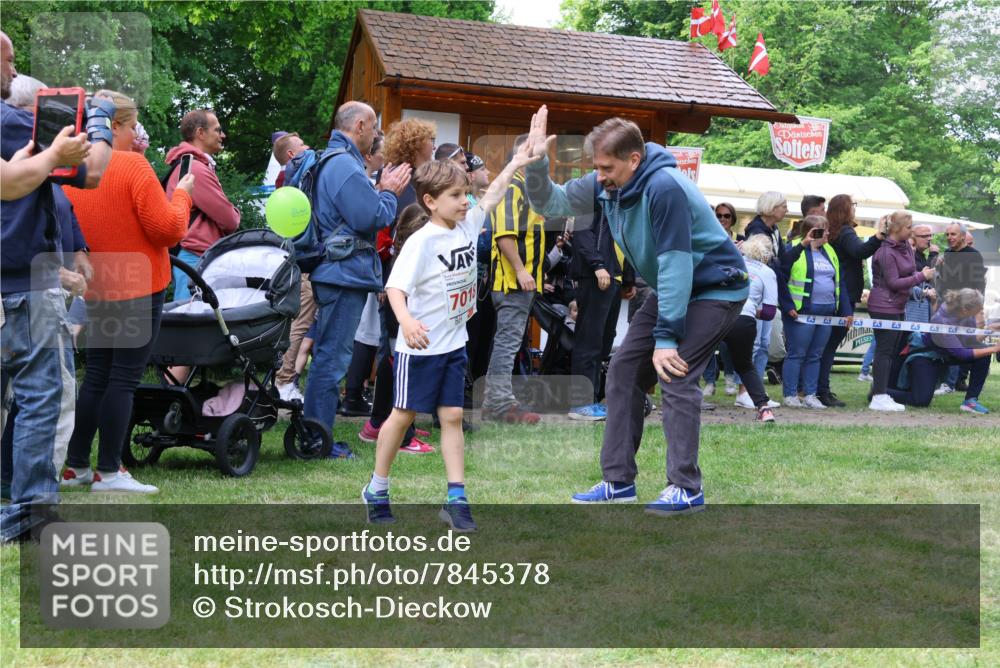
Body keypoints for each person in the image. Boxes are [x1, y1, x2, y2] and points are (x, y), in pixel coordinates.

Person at [523, 106, 748, 515]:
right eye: (596, 167)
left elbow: (676, 263)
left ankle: (686, 488)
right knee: (624, 370)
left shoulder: (665, 188)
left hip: (716, 287)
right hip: (674, 286)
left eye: (606, 167)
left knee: (675, 371)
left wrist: (666, 338)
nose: (599, 175)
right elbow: (550, 201)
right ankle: (618, 482)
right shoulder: (606, 184)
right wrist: (537, 161)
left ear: (634, 159)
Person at [362, 146, 541, 530]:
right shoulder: (422, 242)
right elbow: (395, 288)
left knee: (453, 415)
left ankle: (456, 498)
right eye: (456, 196)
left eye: (465, 194)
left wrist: (517, 161)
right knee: (403, 415)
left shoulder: (467, 226)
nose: (465, 202)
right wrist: (406, 321)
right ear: (430, 201)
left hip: (453, 345)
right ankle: (377, 488)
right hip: (419, 350)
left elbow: (492, 195)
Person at [1, 31, 116, 542]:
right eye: (7, 61)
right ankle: (31, 514)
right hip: (25, 284)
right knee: (41, 398)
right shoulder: (10, 122)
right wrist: (100, 120)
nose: (13, 70)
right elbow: (92, 172)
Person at [60, 89, 195, 493]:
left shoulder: (72, 168)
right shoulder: (133, 166)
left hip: (97, 283)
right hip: (139, 284)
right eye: (133, 125)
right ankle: (109, 471)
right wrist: (183, 194)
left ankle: (76, 465)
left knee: (97, 376)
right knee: (123, 378)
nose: (137, 134)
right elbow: (168, 229)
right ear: (114, 125)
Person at [303, 101, 410, 452]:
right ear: (360, 126)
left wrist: (380, 193)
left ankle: (316, 433)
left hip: (337, 272)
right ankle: (317, 439)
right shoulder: (345, 165)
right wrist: (389, 193)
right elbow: (370, 217)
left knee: (330, 355)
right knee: (332, 358)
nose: (377, 134)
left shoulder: (335, 160)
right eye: (375, 127)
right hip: (341, 274)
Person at [361, 117, 437, 453]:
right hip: (400, 279)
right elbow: (400, 231)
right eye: (430, 141)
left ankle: (381, 423)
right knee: (399, 355)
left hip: (399, 277)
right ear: (416, 144)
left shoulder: (406, 176)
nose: (433, 146)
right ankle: (397, 432)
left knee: (393, 355)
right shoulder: (403, 179)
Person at [481, 134, 547, 424]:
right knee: (507, 343)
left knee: (509, 341)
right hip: (512, 281)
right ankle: (499, 404)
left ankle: (497, 401)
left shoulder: (526, 187)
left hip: (520, 281)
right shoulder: (513, 186)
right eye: (535, 153)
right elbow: (504, 235)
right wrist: (521, 270)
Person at [566, 193, 633, 420]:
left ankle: (591, 400)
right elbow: (582, 235)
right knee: (589, 342)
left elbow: (625, 241)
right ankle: (580, 404)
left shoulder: (620, 203)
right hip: (595, 277)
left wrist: (628, 279)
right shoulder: (591, 197)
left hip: (614, 278)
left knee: (603, 343)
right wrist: (597, 265)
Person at [777, 215, 854, 409]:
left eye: (827, 229)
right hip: (801, 313)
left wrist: (845, 310)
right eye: (822, 230)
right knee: (797, 354)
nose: (827, 233)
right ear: (810, 231)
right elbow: (780, 276)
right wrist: (788, 306)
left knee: (815, 355)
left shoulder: (830, 250)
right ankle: (790, 394)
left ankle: (810, 394)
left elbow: (840, 283)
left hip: (827, 313)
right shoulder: (794, 247)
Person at [165, 109, 241, 301]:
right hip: (195, 258)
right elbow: (230, 220)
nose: (223, 135)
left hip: (190, 256)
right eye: (217, 130)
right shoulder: (196, 169)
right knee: (192, 314)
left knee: (190, 313)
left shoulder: (188, 164)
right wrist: (235, 212)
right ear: (200, 132)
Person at [814, 194, 883, 407]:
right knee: (829, 346)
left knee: (823, 346)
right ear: (845, 209)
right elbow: (860, 251)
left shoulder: (833, 232)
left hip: (832, 293)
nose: (855, 208)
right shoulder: (845, 232)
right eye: (853, 205)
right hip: (844, 295)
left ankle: (815, 388)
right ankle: (821, 390)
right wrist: (878, 236)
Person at [888, 289, 999, 413]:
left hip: (945, 354)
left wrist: (989, 329)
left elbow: (969, 340)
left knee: (983, 353)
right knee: (920, 400)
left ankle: (970, 402)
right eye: (978, 309)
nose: (981, 311)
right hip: (926, 356)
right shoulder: (941, 320)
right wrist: (994, 348)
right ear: (965, 309)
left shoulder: (965, 314)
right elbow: (961, 354)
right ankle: (881, 392)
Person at [867, 211, 935, 412]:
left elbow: (910, 271)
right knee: (884, 351)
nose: (912, 231)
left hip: (898, 305)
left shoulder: (905, 246)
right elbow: (894, 283)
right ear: (896, 228)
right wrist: (921, 277)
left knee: (892, 351)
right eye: (908, 227)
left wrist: (920, 274)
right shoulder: (885, 252)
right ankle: (878, 396)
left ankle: (882, 392)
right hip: (883, 306)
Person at [273, 131, 316, 402]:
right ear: (291, 154)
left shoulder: (290, 178)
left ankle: (282, 378)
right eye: (302, 145)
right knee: (300, 323)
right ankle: (284, 380)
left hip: (296, 260)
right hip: (303, 262)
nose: (308, 146)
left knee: (298, 322)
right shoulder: (295, 178)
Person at [933, 222, 987, 395]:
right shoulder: (947, 254)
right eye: (947, 234)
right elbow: (942, 282)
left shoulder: (973, 255)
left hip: (966, 309)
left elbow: (979, 284)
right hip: (946, 307)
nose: (949, 237)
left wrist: (978, 311)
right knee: (942, 343)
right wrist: (939, 266)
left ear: (963, 236)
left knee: (962, 344)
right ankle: (941, 381)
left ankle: (952, 383)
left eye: (953, 234)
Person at [733, 234, 780, 419]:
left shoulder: (734, 260)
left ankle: (686, 397)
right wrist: (754, 310)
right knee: (746, 365)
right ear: (768, 255)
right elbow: (769, 313)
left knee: (700, 357)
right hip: (744, 318)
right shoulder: (767, 272)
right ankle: (763, 408)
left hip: (717, 314)